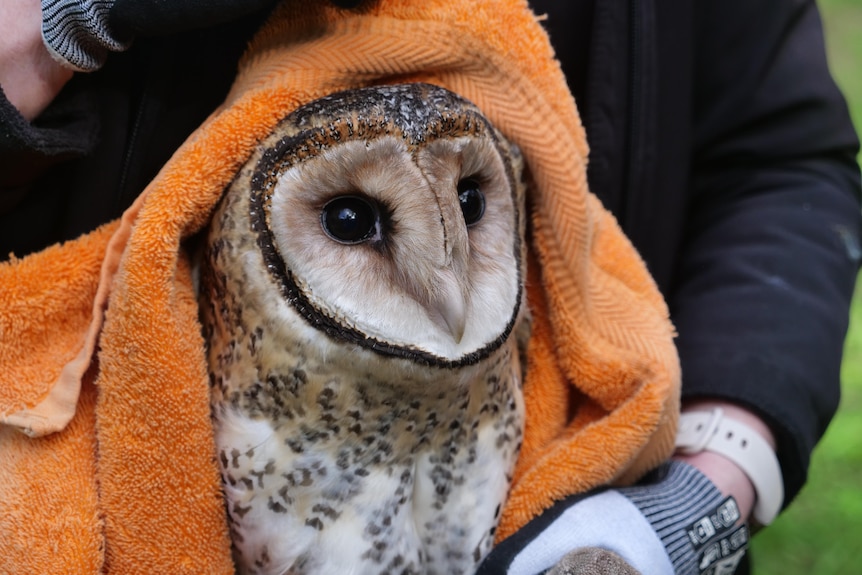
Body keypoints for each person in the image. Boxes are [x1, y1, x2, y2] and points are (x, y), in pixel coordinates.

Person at [1, 0, 859, 573]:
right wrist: (53, 27)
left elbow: (775, 160)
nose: (441, 289)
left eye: (475, 206)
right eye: (348, 219)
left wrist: (695, 498)